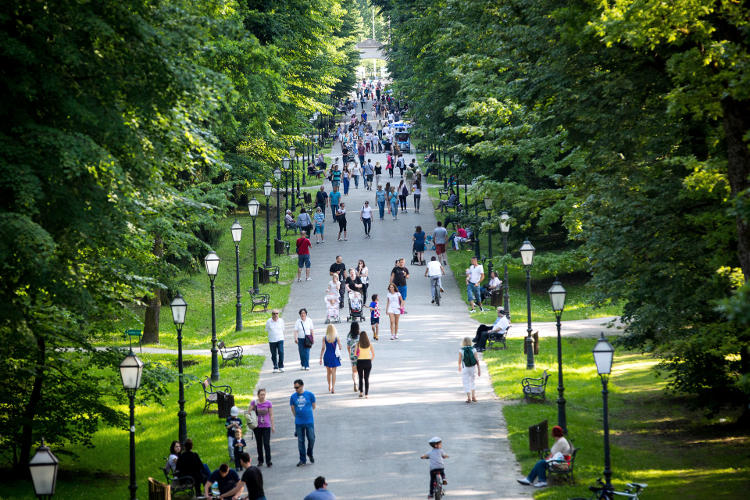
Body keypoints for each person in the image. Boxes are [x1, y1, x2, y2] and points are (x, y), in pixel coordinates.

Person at [290, 379, 317, 467]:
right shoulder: (293, 397)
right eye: (295, 388)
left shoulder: (310, 395)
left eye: (297, 387)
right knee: (300, 441)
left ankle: (309, 452)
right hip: (299, 422)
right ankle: (302, 459)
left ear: (302, 386)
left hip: (309, 421)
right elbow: (293, 408)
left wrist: (307, 414)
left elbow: (314, 406)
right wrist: (297, 416)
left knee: (311, 438)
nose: (296, 389)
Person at [250, 388, 274, 467]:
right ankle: (260, 460)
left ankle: (268, 461)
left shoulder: (268, 403)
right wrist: (253, 408)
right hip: (257, 426)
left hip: (266, 426)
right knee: (259, 444)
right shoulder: (254, 402)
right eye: (261, 395)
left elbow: (271, 415)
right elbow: (248, 412)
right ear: (258, 395)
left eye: (264, 394)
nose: (263, 396)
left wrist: (272, 426)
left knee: (266, 444)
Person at [320, 324, 343, 393]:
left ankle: (329, 385)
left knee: (328, 372)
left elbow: (323, 348)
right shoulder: (336, 338)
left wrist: (321, 357)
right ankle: (333, 388)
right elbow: (340, 347)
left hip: (327, 355)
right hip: (334, 356)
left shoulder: (324, 338)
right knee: (333, 372)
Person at [458, 337, 481, 403]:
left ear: (463, 342)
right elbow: (477, 360)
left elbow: (459, 360)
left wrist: (459, 366)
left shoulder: (461, 350)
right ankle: (473, 396)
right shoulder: (473, 349)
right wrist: (479, 369)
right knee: (472, 381)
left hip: (465, 368)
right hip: (473, 368)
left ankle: (468, 398)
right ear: (470, 342)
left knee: (466, 382)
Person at [355, 331, 374, 398]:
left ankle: (361, 392)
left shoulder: (358, 344)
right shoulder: (369, 344)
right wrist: (369, 360)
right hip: (368, 362)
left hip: (360, 362)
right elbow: (373, 355)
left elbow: (355, 354)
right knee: (366, 378)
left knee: (360, 377)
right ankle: (366, 394)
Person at [346, 321, 360, 393]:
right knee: (360, 370)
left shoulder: (349, 335)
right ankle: (360, 383)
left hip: (352, 354)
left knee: (354, 371)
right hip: (360, 355)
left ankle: (355, 382)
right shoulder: (359, 335)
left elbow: (348, 346)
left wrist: (350, 354)